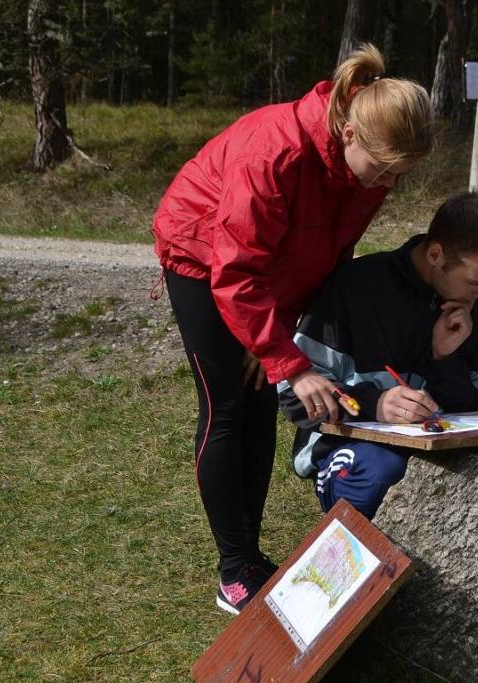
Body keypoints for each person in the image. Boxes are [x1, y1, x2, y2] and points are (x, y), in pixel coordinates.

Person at [151, 44, 433, 615]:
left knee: (261, 409)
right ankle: (235, 572)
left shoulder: (366, 173)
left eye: (399, 176)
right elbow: (235, 271)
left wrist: (278, 340)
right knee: (229, 406)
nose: (388, 185)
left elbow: (324, 252)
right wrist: (291, 364)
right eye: (385, 170)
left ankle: (251, 559)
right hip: (203, 256)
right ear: (350, 134)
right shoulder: (273, 152)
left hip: (264, 268)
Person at [278, 193, 478, 519]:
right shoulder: (357, 285)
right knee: (379, 474)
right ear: (436, 254)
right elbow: (293, 394)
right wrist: (376, 405)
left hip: (439, 446)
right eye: (475, 282)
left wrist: (444, 360)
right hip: (353, 445)